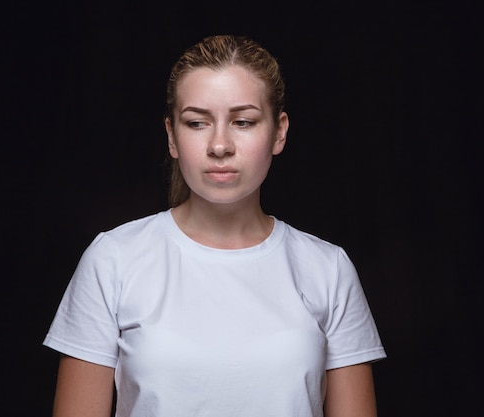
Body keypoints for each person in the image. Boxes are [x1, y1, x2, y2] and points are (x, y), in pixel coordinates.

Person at [44, 34, 386, 417]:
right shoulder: (113, 260)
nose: (219, 145)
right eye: (196, 123)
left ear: (279, 132)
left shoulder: (328, 269)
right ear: (172, 136)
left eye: (242, 121)